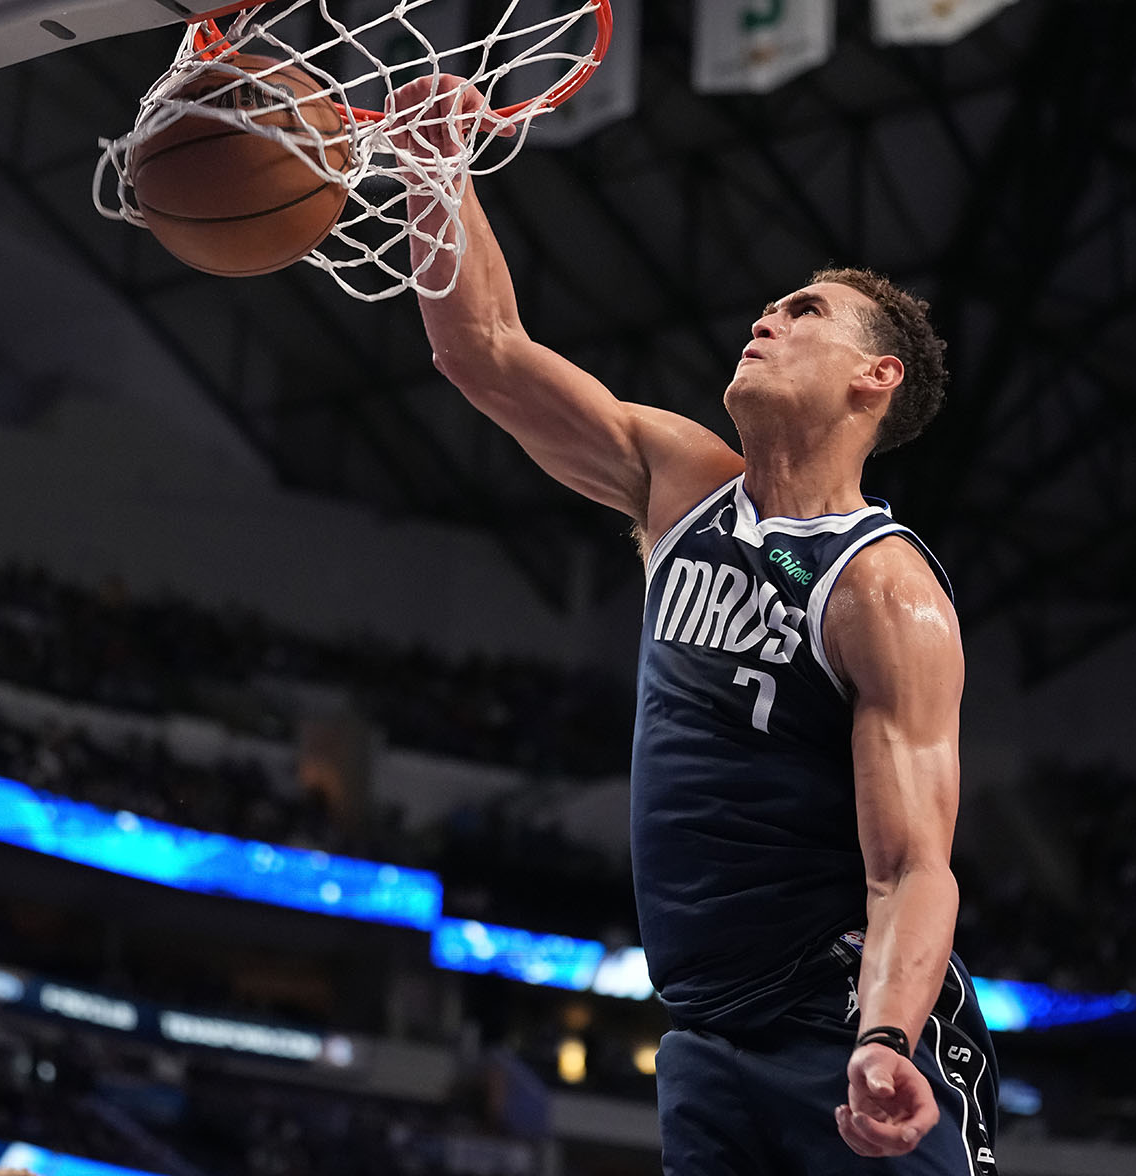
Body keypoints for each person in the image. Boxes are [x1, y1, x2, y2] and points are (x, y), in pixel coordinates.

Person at [390, 76, 1000, 1174]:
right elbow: (480, 350)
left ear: (876, 376)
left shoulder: (881, 587)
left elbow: (912, 868)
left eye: (804, 311)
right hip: (704, 1036)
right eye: (770, 304)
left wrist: (883, 1037)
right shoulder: (680, 487)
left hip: (838, 1030)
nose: (765, 317)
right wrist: (435, 168)